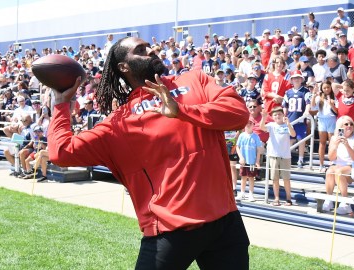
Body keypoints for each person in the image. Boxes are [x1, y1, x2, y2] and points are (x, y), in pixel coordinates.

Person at [47, 37, 250, 269]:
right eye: (140, 50)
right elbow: (61, 152)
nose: (152, 50)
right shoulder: (118, 123)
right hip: (170, 230)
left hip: (224, 222)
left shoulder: (195, 79)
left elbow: (238, 114)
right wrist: (61, 103)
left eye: (149, 46)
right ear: (124, 67)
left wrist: (181, 110)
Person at [323, 116, 354, 214]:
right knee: (329, 171)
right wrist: (335, 146)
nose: (349, 126)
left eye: (351, 124)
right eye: (346, 124)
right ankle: (329, 199)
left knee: (339, 172)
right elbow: (331, 158)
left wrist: (347, 145)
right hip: (338, 165)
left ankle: (345, 202)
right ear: (340, 126)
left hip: (353, 166)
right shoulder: (334, 138)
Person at [260, 106, 296, 206]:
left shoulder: (287, 125)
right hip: (273, 155)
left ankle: (288, 198)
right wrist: (263, 117)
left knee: (286, 179)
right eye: (275, 115)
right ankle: (276, 198)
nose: (277, 116)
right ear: (272, 116)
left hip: (285, 156)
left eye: (279, 114)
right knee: (275, 179)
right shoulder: (271, 125)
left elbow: (293, 134)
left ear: (283, 115)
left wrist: (288, 124)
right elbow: (262, 128)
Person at [282, 70, 311, 168]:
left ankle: (301, 159)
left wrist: (306, 112)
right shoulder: (288, 92)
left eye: (298, 78)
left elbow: (308, 103)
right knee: (290, 140)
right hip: (290, 119)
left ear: (301, 79)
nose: (296, 80)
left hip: (300, 119)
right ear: (292, 80)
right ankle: (287, 158)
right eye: (294, 78)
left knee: (301, 139)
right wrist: (284, 115)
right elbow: (285, 105)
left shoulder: (305, 91)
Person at [309, 81, 337, 172]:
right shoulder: (319, 98)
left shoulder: (335, 97)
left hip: (332, 120)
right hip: (322, 121)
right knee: (322, 143)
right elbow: (312, 107)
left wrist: (332, 105)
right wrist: (313, 94)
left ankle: (332, 162)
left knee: (332, 142)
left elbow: (337, 112)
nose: (326, 89)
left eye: (328, 87)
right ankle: (321, 165)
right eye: (324, 88)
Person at [235, 119, 262, 202]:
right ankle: (242, 193)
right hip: (244, 161)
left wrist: (257, 161)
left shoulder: (256, 136)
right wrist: (241, 158)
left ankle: (251, 194)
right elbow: (237, 147)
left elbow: (258, 150)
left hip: (252, 161)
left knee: (251, 177)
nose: (248, 124)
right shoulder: (242, 135)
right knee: (243, 177)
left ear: (253, 125)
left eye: (250, 123)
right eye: (247, 123)